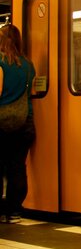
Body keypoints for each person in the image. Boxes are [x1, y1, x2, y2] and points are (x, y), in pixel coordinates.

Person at [0, 24, 36, 224]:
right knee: (17, 167)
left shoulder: (0, 62)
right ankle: (15, 211)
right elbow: (31, 93)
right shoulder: (28, 64)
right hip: (25, 121)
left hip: (2, 122)